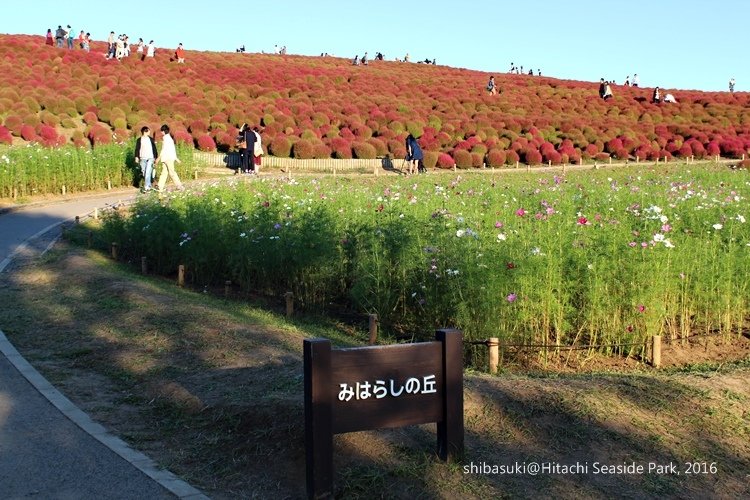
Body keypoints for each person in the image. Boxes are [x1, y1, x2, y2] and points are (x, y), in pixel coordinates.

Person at [156, 125, 184, 191]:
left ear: (163, 131)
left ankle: (179, 186)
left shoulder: (166, 139)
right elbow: (172, 150)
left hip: (168, 158)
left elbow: (164, 149)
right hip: (167, 158)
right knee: (164, 173)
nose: (161, 133)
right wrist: (176, 159)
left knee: (172, 173)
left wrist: (158, 158)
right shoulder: (168, 138)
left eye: (161, 131)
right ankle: (160, 187)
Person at [134, 126, 158, 192]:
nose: (149, 132)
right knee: (144, 172)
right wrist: (136, 157)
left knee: (148, 172)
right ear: (145, 131)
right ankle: (150, 184)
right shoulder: (139, 140)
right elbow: (137, 149)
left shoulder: (151, 139)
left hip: (150, 157)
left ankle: (146, 187)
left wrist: (156, 157)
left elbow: (154, 148)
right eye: (148, 131)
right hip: (142, 158)